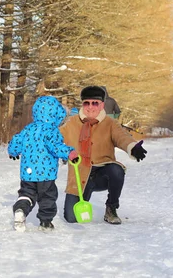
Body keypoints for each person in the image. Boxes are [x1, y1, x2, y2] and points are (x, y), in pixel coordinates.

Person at [59, 86, 147, 224]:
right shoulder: (72, 123)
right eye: (87, 103)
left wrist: (132, 147)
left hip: (103, 173)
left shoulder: (109, 123)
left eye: (95, 103)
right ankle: (82, 196)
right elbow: (55, 137)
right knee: (71, 218)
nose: (90, 107)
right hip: (80, 174)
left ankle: (111, 208)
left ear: (102, 105)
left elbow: (122, 137)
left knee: (116, 170)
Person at [8, 96, 78, 232]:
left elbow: (17, 140)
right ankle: (46, 222)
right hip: (46, 174)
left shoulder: (28, 129)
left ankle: (21, 209)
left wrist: (13, 151)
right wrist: (69, 153)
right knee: (47, 197)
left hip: (27, 173)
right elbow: (56, 147)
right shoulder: (52, 131)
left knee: (27, 194)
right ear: (56, 114)